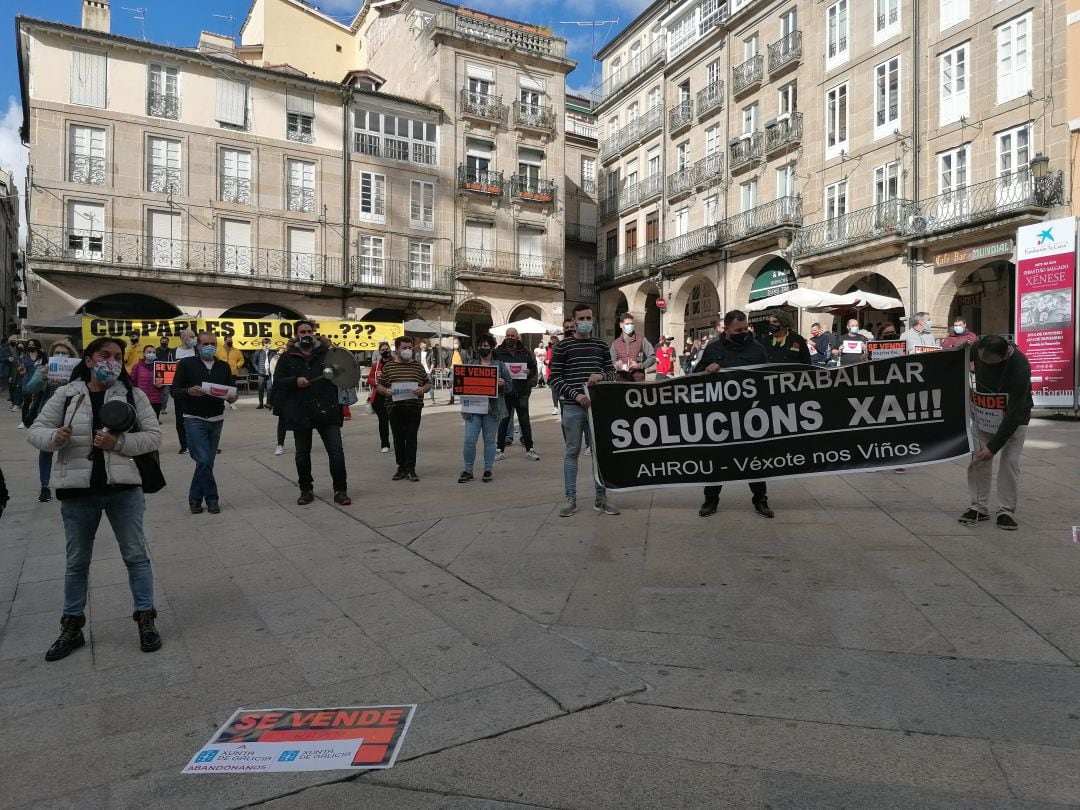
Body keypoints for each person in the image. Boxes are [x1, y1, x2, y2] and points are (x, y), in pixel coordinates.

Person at [27, 336, 163, 661]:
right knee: (77, 562)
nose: (111, 361)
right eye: (105, 355)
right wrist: (54, 437)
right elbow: (37, 430)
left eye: (117, 356)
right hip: (78, 492)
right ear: (88, 360)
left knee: (136, 556)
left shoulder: (133, 394)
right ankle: (71, 627)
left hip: (123, 490)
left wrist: (118, 443)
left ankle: (146, 620)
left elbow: (153, 436)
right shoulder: (67, 394)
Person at [697, 310, 775, 519]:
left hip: (751, 413)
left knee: (754, 460)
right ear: (726, 329)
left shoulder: (757, 349)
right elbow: (694, 375)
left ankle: (761, 500)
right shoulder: (713, 348)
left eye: (745, 328)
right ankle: (710, 500)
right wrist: (708, 369)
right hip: (721, 415)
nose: (743, 332)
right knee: (716, 459)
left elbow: (767, 378)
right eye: (737, 330)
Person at [548, 303, 618, 517]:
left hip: (596, 408)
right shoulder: (562, 347)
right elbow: (554, 378)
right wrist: (575, 395)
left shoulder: (601, 345)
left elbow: (612, 372)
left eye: (589, 318)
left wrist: (602, 376)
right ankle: (570, 499)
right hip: (572, 408)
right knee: (572, 452)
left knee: (600, 454)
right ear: (574, 320)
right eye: (582, 318)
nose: (586, 322)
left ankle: (601, 497)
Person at [274, 320, 351, 505]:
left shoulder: (326, 354)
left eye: (309, 330)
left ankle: (340, 491)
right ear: (296, 334)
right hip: (300, 411)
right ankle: (306, 490)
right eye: (302, 331)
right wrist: (295, 381)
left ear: (315, 332)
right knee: (302, 454)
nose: (306, 334)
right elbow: (277, 382)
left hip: (327, 410)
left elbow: (342, 375)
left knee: (336, 452)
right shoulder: (287, 357)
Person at [961, 335, 1032, 531]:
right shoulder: (979, 348)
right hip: (984, 414)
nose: (983, 365)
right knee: (978, 461)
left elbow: (1015, 413)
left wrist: (994, 446)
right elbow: (960, 358)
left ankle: (1006, 511)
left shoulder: (1020, 368)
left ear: (1003, 356)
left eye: (989, 363)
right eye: (980, 360)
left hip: (1014, 418)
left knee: (1009, 462)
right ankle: (978, 507)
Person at [170, 331, 236, 514]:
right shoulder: (186, 364)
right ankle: (212, 498)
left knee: (207, 463)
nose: (210, 347)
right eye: (205, 343)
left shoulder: (223, 366)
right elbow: (174, 391)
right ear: (197, 345)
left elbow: (230, 390)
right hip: (193, 418)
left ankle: (195, 499)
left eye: (213, 343)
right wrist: (189, 391)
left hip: (216, 419)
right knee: (204, 459)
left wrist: (232, 397)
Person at [23, 339, 78, 502]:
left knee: (73, 448)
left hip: (70, 413)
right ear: (52, 355)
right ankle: (45, 487)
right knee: (46, 449)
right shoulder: (43, 368)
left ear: (71, 355)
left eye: (64, 353)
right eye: (57, 353)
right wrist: (42, 377)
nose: (61, 356)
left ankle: (70, 483)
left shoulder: (77, 370)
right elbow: (30, 388)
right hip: (48, 413)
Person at [458, 333, 513, 483]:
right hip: (473, 410)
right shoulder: (471, 363)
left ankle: (488, 470)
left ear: (492, 348)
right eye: (481, 346)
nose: (483, 348)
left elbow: (510, 387)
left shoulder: (500, 366)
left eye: (486, 346)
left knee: (489, 441)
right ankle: (468, 470)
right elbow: (461, 384)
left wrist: (503, 384)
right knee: (469, 440)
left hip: (492, 411)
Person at [377, 335, 432, 482]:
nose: (407, 350)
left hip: (414, 408)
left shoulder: (418, 366)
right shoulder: (388, 367)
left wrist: (423, 389)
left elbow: (428, 384)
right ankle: (401, 468)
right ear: (397, 349)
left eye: (409, 348)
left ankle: (411, 469)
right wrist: (385, 391)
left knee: (411, 438)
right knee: (398, 439)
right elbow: (380, 385)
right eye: (404, 348)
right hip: (394, 409)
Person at [494, 327, 540, 461]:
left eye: (512, 335)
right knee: (503, 422)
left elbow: (533, 368)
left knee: (524, 421)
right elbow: (492, 367)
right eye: (508, 335)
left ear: (517, 337)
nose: (510, 337)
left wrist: (529, 374)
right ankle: (499, 450)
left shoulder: (525, 352)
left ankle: (530, 450)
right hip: (505, 393)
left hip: (521, 392)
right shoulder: (498, 352)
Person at [366, 340, 393, 453]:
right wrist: (377, 384)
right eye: (382, 350)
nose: (385, 351)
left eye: (387, 349)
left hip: (393, 395)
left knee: (396, 421)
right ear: (379, 351)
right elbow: (370, 378)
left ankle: (400, 441)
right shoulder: (376, 365)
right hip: (379, 397)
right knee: (383, 421)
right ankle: (385, 444)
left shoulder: (396, 362)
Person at [173, 328, 196, 454]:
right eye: (191, 337)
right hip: (180, 391)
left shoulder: (197, 351)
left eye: (194, 336)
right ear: (182, 337)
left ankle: (201, 443)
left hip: (197, 390)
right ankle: (184, 445)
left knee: (199, 417)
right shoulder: (172, 352)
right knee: (180, 419)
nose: (194, 339)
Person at [129, 343, 165, 418]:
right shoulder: (137, 366)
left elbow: (163, 383)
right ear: (144, 354)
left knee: (154, 423)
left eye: (153, 352)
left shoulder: (160, 367)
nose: (151, 354)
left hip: (156, 401)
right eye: (149, 352)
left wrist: (161, 386)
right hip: (142, 400)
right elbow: (132, 383)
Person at [269, 347, 288, 455]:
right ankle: (280, 444)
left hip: (296, 397)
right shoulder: (280, 364)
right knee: (282, 422)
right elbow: (276, 383)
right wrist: (271, 401)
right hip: (283, 396)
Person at [250, 338, 275, 409]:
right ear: (265, 344)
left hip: (269, 373)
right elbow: (254, 362)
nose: (270, 344)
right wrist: (257, 369)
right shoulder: (258, 352)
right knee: (260, 389)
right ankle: (261, 403)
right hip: (261, 373)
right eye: (269, 343)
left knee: (269, 389)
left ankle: (268, 403)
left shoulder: (272, 352)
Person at [446, 338, 471, 406]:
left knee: (460, 386)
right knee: (451, 385)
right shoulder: (450, 352)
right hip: (452, 371)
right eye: (454, 343)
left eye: (456, 343)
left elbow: (470, 360)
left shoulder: (464, 352)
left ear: (459, 344)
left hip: (460, 371)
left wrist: (466, 368)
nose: (455, 345)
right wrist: (445, 368)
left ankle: (462, 399)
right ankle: (452, 399)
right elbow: (443, 359)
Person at [156, 337, 173, 416]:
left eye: (165, 342)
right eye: (162, 341)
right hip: (157, 374)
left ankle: (163, 408)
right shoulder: (155, 350)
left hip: (167, 374)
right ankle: (156, 408)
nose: (164, 342)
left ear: (168, 343)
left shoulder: (171, 351)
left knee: (166, 393)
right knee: (157, 393)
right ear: (160, 342)